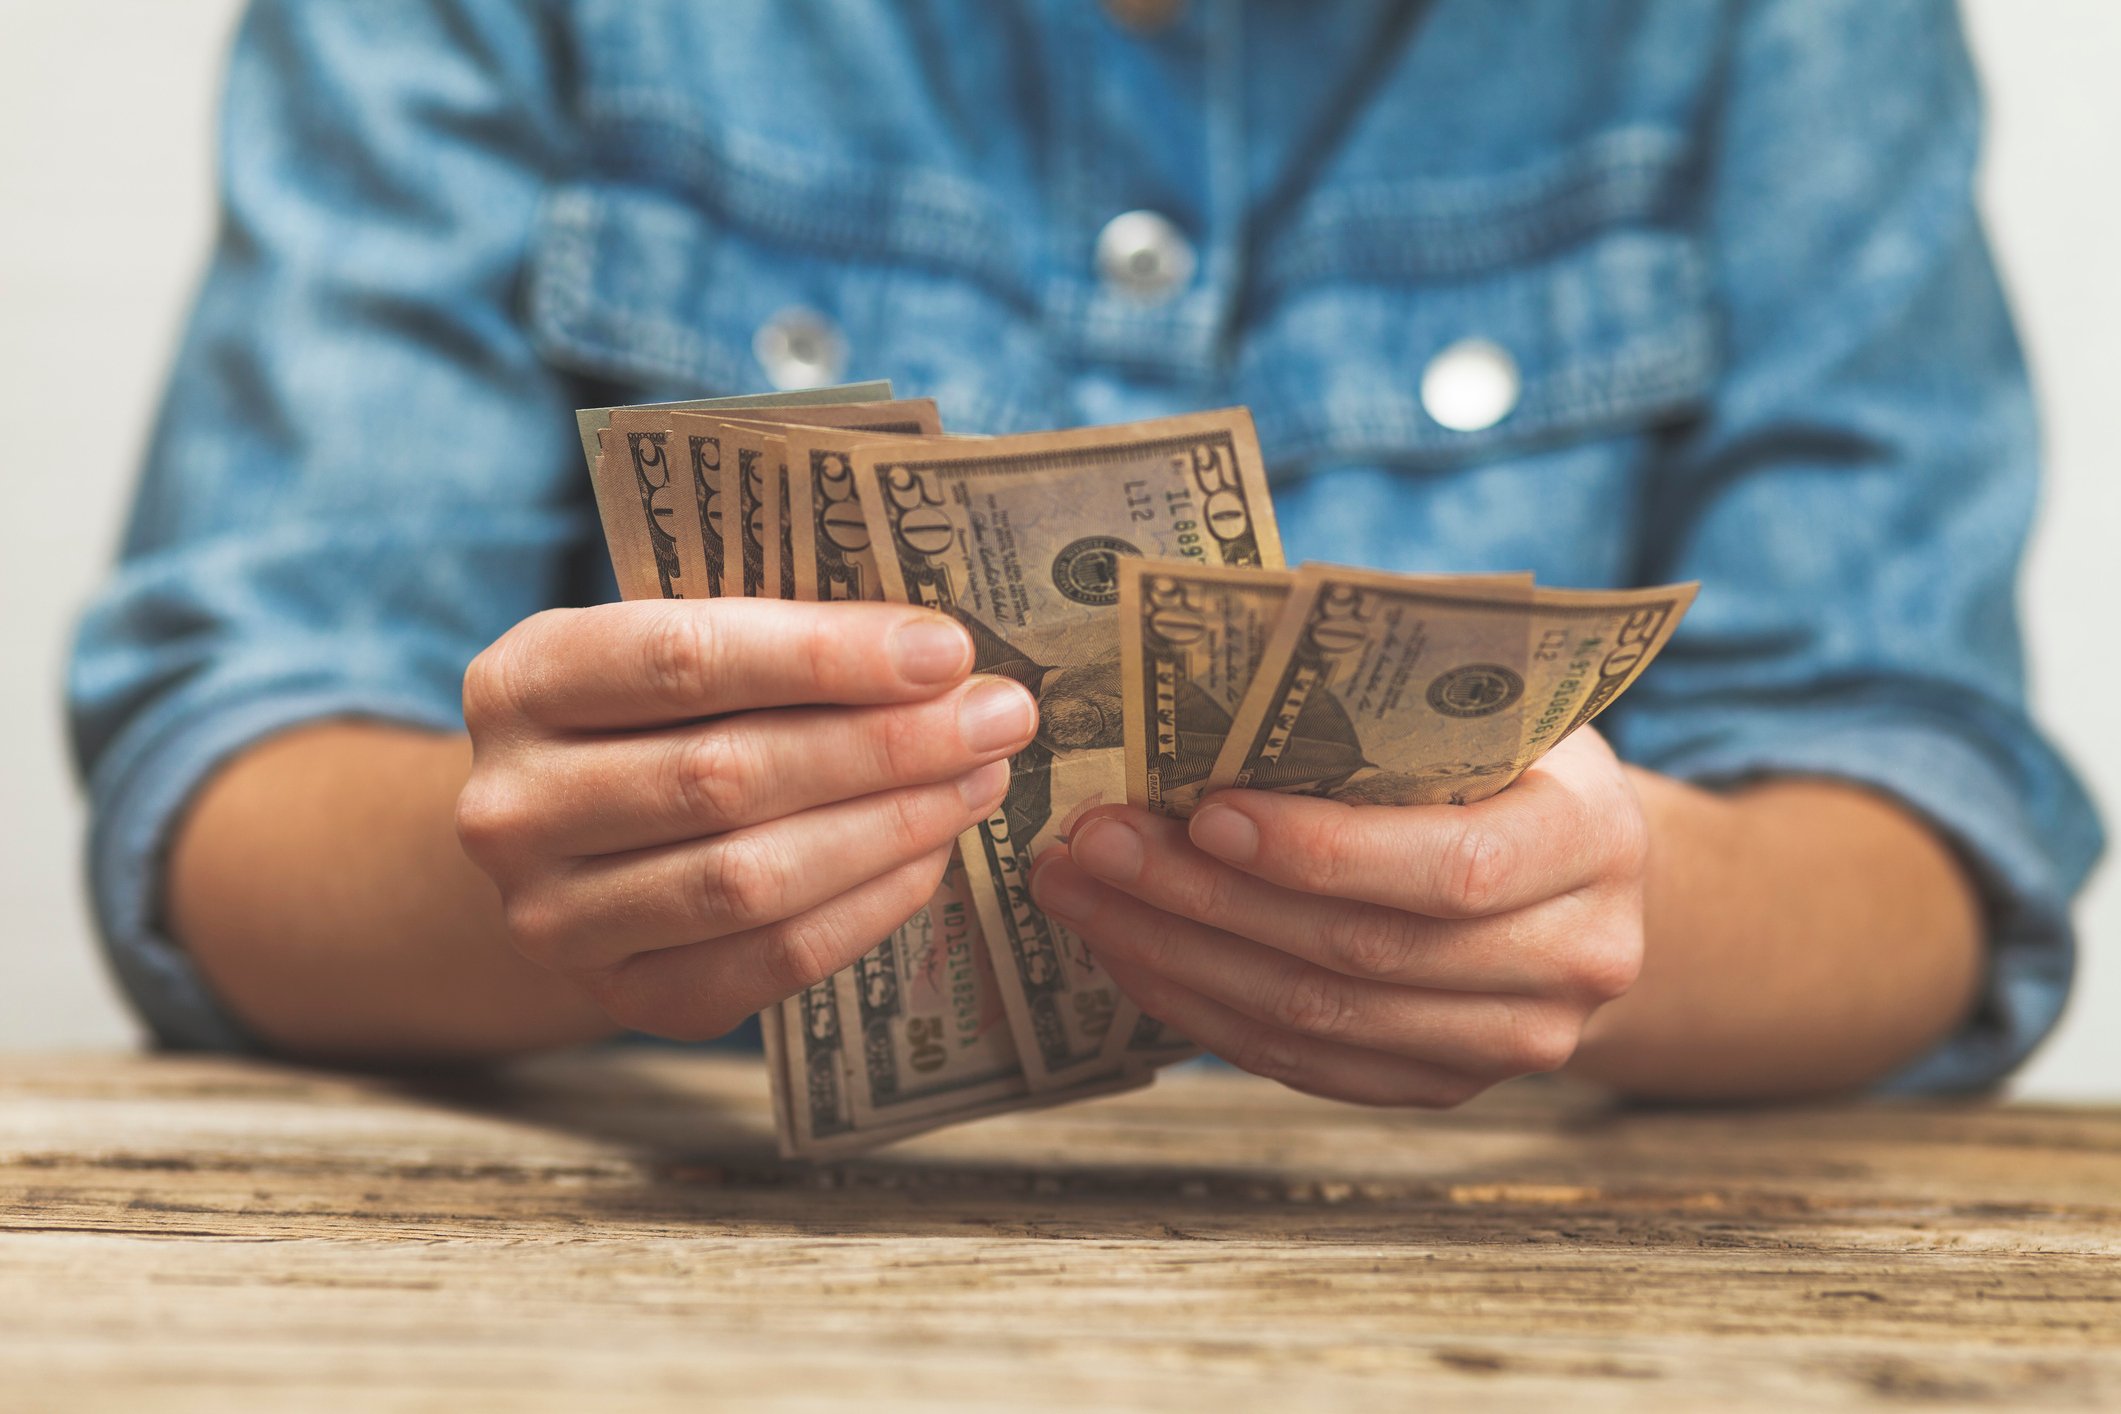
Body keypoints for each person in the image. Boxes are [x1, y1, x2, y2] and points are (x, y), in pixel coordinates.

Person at [71, 0, 2101, 1104]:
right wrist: (557, 872)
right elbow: (224, 786)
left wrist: (1623, 914)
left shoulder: (1786, 27)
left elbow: (1922, 828)